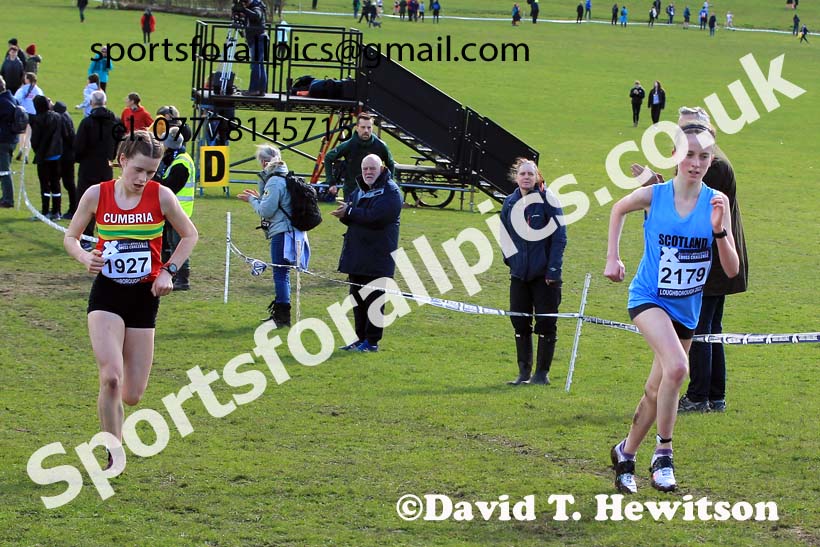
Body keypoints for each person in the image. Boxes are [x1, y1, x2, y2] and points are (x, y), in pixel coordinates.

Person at [604, 121, 739, 494]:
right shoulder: (656, 195)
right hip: (648, 297)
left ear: (711, 160)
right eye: (689, 155)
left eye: (704, 156)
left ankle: (625, 452)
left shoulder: (716, 202)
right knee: (678, 368)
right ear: (676, 155)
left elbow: (731, 268)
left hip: (686, 309)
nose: (695, 163)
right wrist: (613, 258)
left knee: (656, 388)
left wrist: (718, 231)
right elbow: (618, 209)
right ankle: (663, 454)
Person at [63, 130, 198, 471]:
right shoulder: (97, 194)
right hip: (107, 293)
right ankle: (114, 451)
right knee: (110, 376)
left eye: (151, 172)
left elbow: (190, 234)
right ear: (122, 161)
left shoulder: (162, 196)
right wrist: (84, 258)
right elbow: (71, 236)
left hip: (144, 296)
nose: (143, 179)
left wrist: (168, 270)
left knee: (132, 394)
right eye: (138, 170)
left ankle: (117, 420)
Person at [630, 107, 749, 414]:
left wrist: (653, 190)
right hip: (707, 261)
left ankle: (700, 395)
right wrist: (655, 185)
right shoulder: (710, 160)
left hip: (708, 261)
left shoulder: (715, 166)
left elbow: (695, 210)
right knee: (710, 328)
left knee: (698, 329)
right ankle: (711, 394)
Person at [500, 159, 567, 386]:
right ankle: (523, 373)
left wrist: (553, 270)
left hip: (545, 277)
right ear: (516, 177)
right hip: (519, 275)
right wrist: (511, 262)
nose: (526, 177)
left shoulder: (549, 200)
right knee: (519, 321)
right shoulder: (509, 203)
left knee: (546, 323)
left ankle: (541, 374)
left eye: (531, 173)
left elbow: (560, 238)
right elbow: (504, 235)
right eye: (522, 174)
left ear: (537, 176)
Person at [330, 154, 402, 352]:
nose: (368, 172)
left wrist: (351, 213)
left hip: (378, 256)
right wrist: (344, 215)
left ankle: (371, 342)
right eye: (365, 169)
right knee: (357, 300)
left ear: (381, 168)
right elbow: (356, 218)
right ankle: (359, 339)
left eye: (372, 168)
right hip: (357, 255)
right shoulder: (358, 190)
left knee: (374, 301)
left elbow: (377, 218)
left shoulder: (391, 191)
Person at [237, 144, 295, 327]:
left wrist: (252, 200)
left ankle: (282, 315)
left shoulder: (275, 181)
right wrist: (260, 198)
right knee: (283, 273)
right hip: (289, 231)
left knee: (280, 274)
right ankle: (281, 313)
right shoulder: (285, 176)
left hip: (281, 232)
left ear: (263, 162)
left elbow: (266, 211)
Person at [74, 90, 119, 247]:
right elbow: (119, 145)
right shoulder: (115, 122)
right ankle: (106, 237)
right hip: (106, 167)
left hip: (87, 167)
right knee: (105, 202)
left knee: (86, 202)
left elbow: (78, 146)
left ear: (92, 103)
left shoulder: (87, 123)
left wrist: (79, 158)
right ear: (105, 103)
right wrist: (111, 157)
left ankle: (86, 237)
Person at [155, 127, 195, 291]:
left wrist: (155, 178)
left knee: (178, 245)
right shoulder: (173, 159)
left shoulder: (181, 164)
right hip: (172, 211)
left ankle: (182, 279)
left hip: (180, 211)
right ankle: (171, 275)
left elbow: (169, 187)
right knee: (170, 243)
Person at [324, 112, 395, 200]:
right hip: (351, 191)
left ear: (372, 128)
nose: (366, 130)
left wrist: (389, 184)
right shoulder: (349, 145)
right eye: (363, 127)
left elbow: (391, 164)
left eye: (369, 127)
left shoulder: (381, 146)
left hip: (375, 192)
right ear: (357, 128)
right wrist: (331, 182)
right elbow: (328, 158)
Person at [30, 95, 63, 219]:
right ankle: (57, 211)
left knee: (45, 184)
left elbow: (35, 140)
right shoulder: (57, 117)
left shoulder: (38, 120)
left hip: (44, 157)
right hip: (57, 155)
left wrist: (38, 151)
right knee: (56, 183)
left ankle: (45, 211)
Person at [233, 0, 269, 96]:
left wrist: (244, 10)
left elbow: (257, 16)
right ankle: (261, 90)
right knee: (259, 65)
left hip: (259, 38)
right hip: (257, 39)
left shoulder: (257, 6)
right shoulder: (251, 7)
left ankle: (254, 90)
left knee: (256, 65)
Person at [53, 101, 78, 219]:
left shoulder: (61, 119)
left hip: (64, 156)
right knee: (69, 183)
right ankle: (73, 208)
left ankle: (73, 209)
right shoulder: (67, 117)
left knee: (68, 183)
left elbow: (66, 137)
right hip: (69, 155)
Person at [13, 72, 43, 163]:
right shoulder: (38, 90)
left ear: (28, 79)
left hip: (23, 113)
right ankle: (26, 155)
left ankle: (21, 149)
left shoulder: (23, 89)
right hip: (34, 114)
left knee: (22, 133)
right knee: (29, 136)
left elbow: (16, 99)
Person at [0, 76, 18, 208]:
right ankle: (6, 196)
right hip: (12, 139)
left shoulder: (2, 102)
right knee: (4, 170)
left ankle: (8, 200)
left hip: (3, 141)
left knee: (4, 171)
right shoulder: (12, 98)